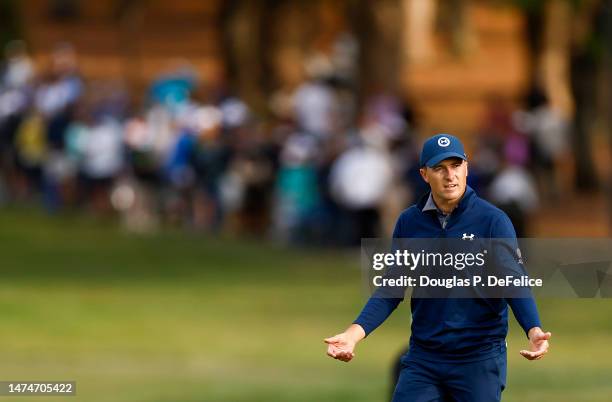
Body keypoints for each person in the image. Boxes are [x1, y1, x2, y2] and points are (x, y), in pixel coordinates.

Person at [324, 134, 551, 401]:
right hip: (424, 358)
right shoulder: (410, 223)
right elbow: (391, 288)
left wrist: (533, 329)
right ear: (424, 174)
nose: (449, 175)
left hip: (477, 358)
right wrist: (353, 335)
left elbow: (514, 282)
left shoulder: (493, 221)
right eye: (440, 168)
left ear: (466, 167)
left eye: (456, 166)